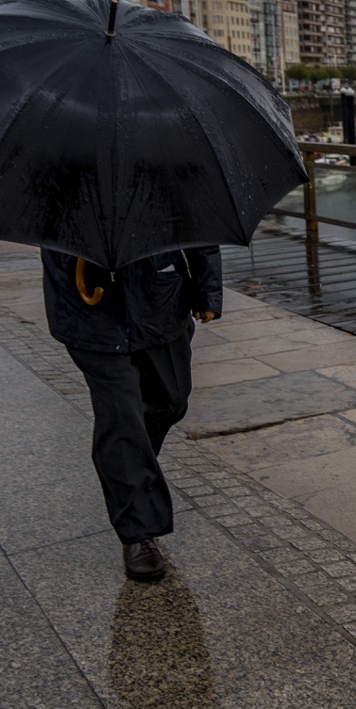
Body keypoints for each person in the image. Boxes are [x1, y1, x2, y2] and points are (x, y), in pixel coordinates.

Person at [41, 246, 222, 581]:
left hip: (160, 299)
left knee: (171, 401)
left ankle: (126, 465)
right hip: (88, 310)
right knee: (122, 416)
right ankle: (138, 532)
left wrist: (207, 289)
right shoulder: (54, 191)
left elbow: (200, 224)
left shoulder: (165, 189)